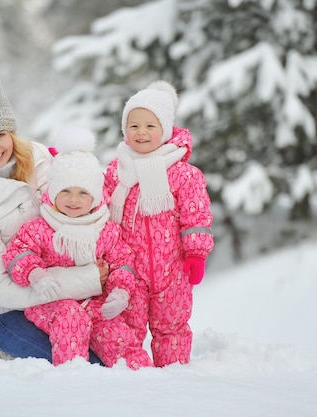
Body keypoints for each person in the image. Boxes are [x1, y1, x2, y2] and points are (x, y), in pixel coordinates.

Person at [0, 71, 106, 367]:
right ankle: (2, 350)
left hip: (69, 299)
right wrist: (87, 279)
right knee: (87, 366)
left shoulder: (41, 157)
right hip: (9, 312)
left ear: (11, 131)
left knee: (115, 354)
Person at [2, 127, 153, 370]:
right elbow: (18, 253)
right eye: (65, 192)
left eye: (83, 193)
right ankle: (72, 379)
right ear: (53, 192)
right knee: (71, 318)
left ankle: (143, 382)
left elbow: (122, 262)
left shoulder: (105, 230)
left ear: (95, 196)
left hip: (95, 305)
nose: (73, 200)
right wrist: (35, 273)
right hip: (51, 305)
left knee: (117, 335)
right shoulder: (41, 228)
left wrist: (120, 292)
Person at [104, 81, 214, 367]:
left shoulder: (183, 174)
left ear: (164, 129)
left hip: (173, 270)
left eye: (150, 126)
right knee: (128, 329)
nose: (141, 133)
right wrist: (71, 170)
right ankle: (134, 382)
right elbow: (96, 201)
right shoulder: (116, 171)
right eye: (134, 126)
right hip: (130, 271)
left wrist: (196, 254)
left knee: (172, 329)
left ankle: (173, 381)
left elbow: (196, 215)